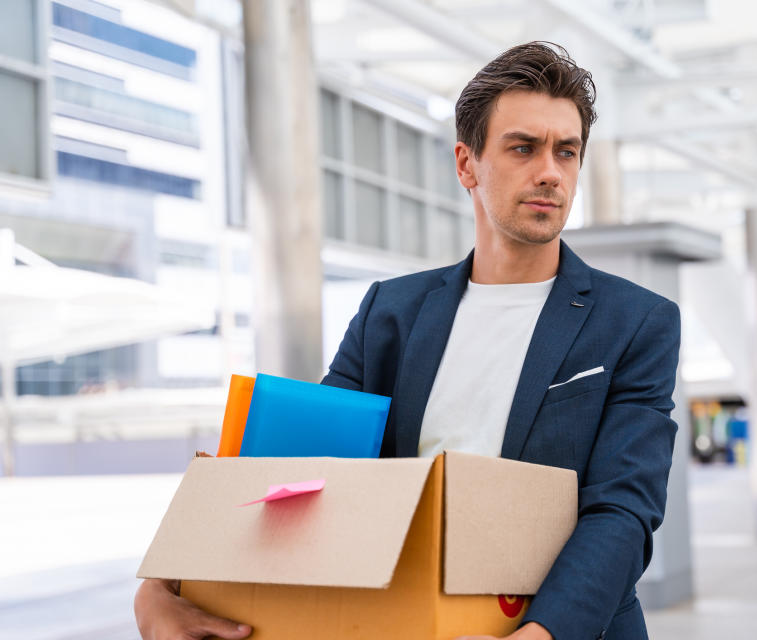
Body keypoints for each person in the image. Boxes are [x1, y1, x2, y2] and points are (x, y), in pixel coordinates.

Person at [135, 41, 680, 640]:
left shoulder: (635, 322)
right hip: (408, 620)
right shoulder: (390, 314)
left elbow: (623, 509)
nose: (550, 171)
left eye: (566, 151)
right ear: (466, 164)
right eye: (523, 148)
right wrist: (159, 588)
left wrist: (541, 636)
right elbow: (300, 476)